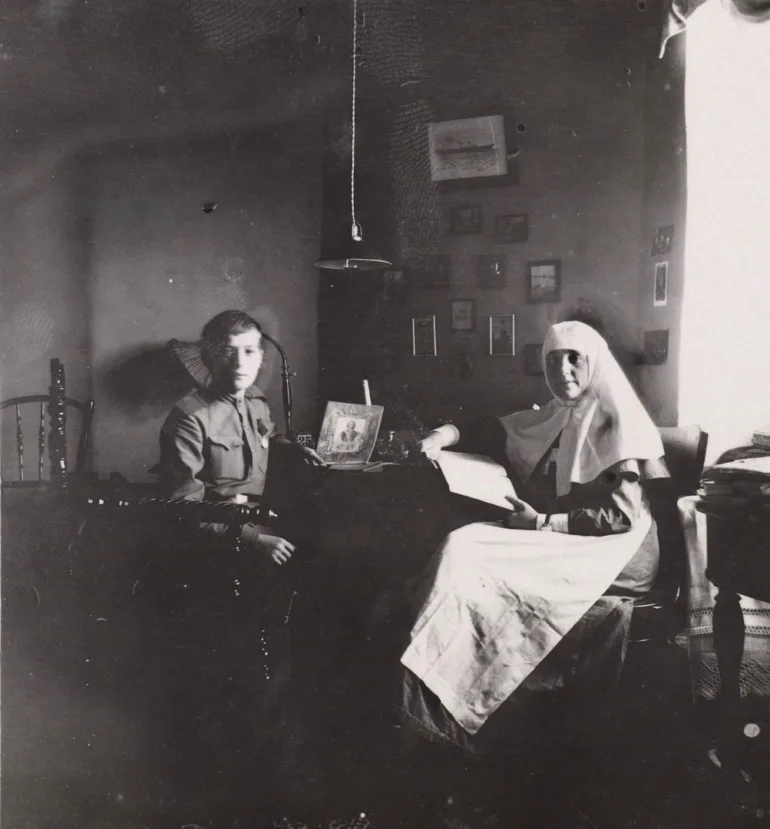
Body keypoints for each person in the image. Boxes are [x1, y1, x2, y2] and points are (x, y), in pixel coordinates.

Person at [399, 320, 669, 758]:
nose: (563, 370)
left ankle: (447, 698)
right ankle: (430, 687)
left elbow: (621, 518)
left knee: (468, 550)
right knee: (462, 544)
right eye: (553, 360)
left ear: (594, 361)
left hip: (618, 552)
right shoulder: (556, 413)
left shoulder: (618, 420)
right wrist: (442, 435)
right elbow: (494, 427)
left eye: (574, 359)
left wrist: (541, 522)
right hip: (570, 538)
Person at [159, 309, 325, 564]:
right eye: (228, 351)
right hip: (216, 543)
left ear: (260, 357)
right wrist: (253, 540)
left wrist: (294, 449)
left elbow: (268, 435)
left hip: (262, 521)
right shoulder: (189, 418)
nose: (239, 363)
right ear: (209, 357)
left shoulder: (255, 401)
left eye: (249, 351)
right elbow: (182, 509)